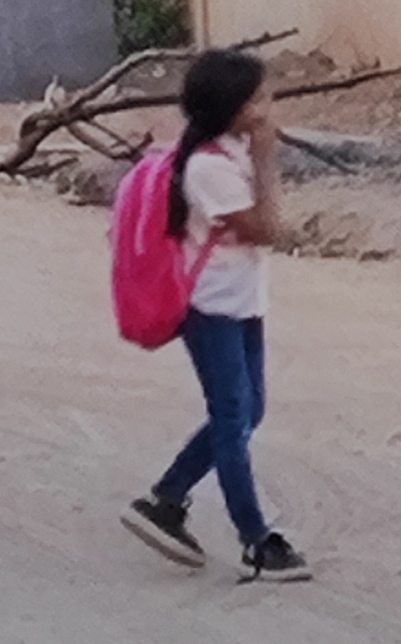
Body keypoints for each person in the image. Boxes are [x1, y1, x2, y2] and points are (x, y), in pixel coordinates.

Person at [121, 46, 313, 581]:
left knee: (248, 411)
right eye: (257, 98)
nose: (268, 104)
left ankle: (167, 497)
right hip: (211, 309)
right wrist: (269, 159)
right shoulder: (208, 168)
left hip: (242, 302)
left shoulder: (228, 152)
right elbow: (267, 229)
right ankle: (256, 539)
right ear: (232, 107)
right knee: (233, 417)